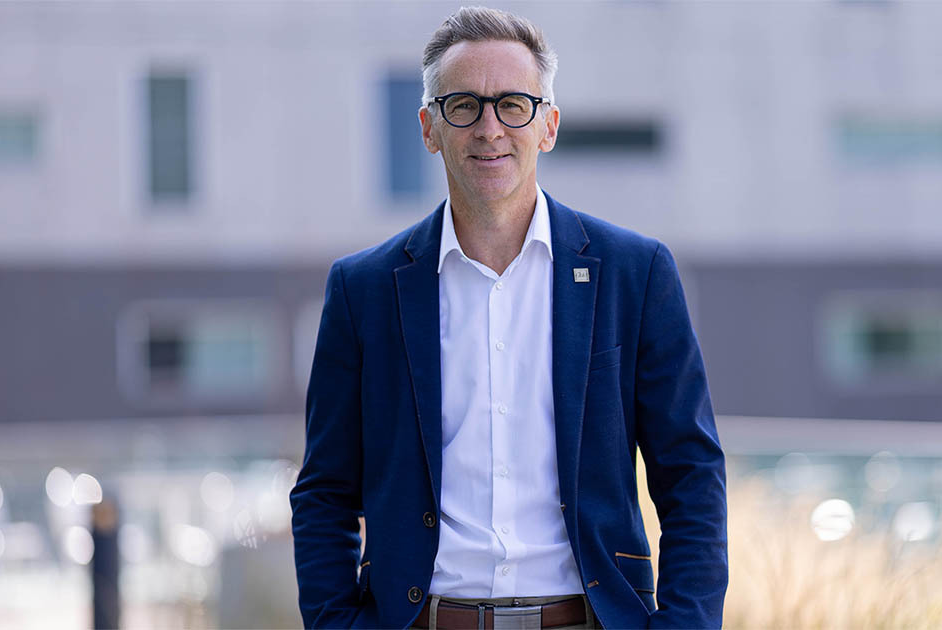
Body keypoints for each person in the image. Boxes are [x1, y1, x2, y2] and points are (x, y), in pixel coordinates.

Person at [289, 6, 727, 629]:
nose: (489, 127)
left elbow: (691, 474)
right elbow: (324, 493)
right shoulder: (363, 290)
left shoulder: (636, 273)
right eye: (463, 104)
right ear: (428, 127)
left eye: (513, 104)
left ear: (547, 124)